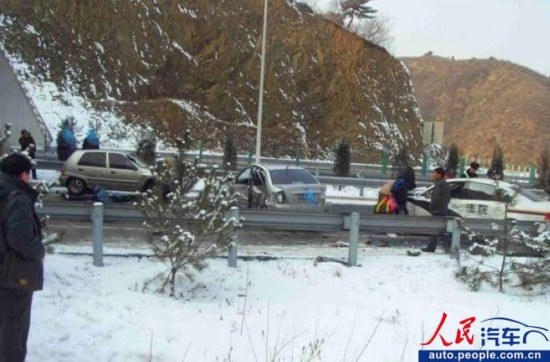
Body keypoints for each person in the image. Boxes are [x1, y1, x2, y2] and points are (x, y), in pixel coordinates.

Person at [0, 153, 45, 361]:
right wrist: (39, 251)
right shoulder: (17, 198)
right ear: (23, 175)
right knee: (13, 329)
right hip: (12, 274)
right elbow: (20, 239)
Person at [422, 167, 451, 252]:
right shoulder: (445, 184)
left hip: (437, 210)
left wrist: (431, 207)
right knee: (442, 230)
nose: (433, 175)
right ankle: (447, 246)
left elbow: (436, 198)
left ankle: (431, 247)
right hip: (443, 209)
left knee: (434, 230)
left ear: (439, 174)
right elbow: (448, 198)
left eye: (434, 173)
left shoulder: (439, 184)